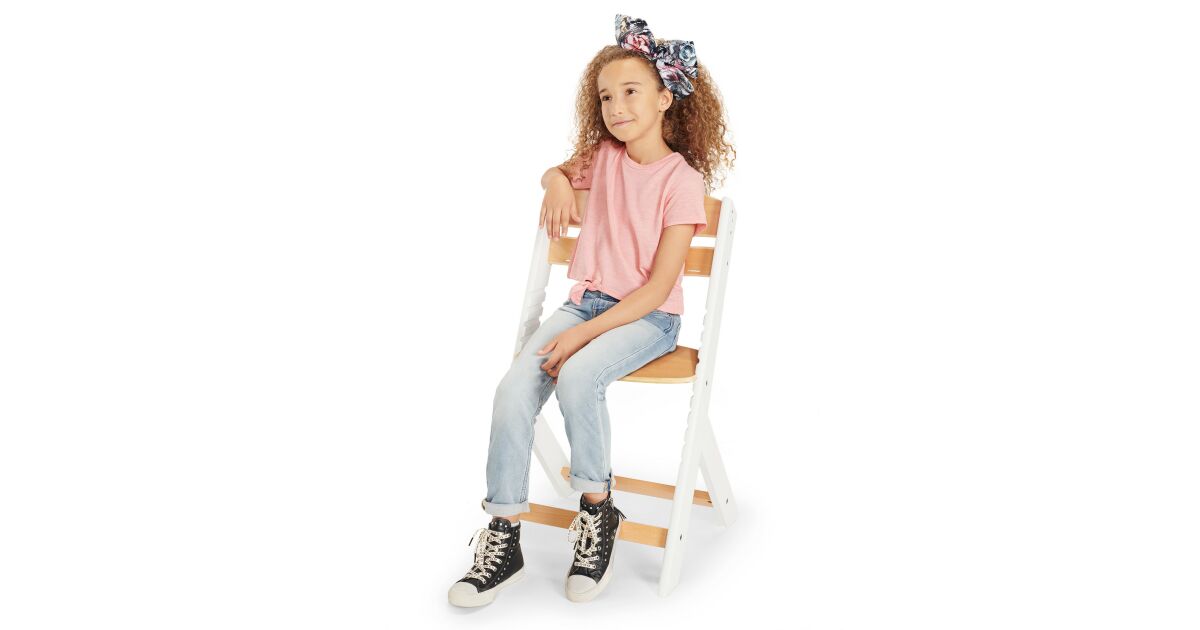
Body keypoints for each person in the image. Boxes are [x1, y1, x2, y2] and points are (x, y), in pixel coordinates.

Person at [448, 13, 736, 607]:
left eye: (631, 91)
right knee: (512, 389)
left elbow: (657, 290)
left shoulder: (681, 181)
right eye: (606, 96)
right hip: (586, 305)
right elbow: (555, 172)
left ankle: (598, 512)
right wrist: (555, 180)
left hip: (648, 320)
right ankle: (504, 531)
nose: (616, 106)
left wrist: (582, 337)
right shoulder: (602, 157)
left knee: (579, 375)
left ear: (665, 98)